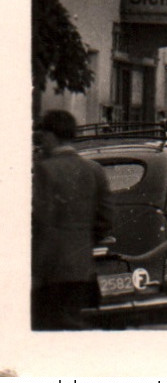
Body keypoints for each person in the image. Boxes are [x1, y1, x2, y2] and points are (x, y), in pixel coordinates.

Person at [32, 110, 112, 330]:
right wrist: (83, 244)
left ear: (50, 135)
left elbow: (41, 220)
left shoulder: (45, 170)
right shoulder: (93, 170)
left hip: (48, 271)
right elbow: (105, 219)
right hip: (81, 270)